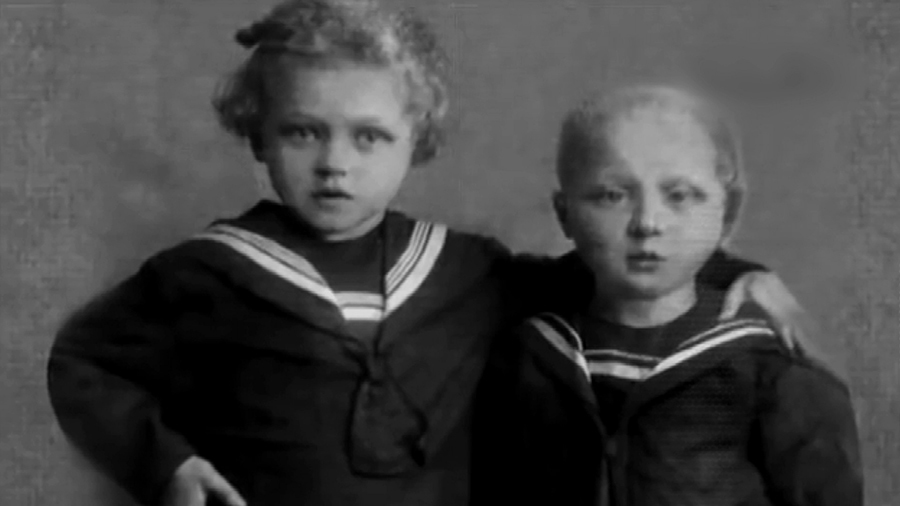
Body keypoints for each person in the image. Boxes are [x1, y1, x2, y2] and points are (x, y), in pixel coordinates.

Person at [47, 2, 815, 506]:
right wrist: (166, 463)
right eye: (303, 132)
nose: (335, 164)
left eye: (369, 136)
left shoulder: (465, 270)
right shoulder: (206, 272)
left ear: (417, 141)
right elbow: (83, 363)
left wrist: (734, 269)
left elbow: (608, 267)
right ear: (257, 134)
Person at [471, 84, 862, 506]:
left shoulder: (773, 372)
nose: (647, 223)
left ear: (728, 211)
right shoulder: (526, 357)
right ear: (564, 213)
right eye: (612, 196)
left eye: (680, 196)